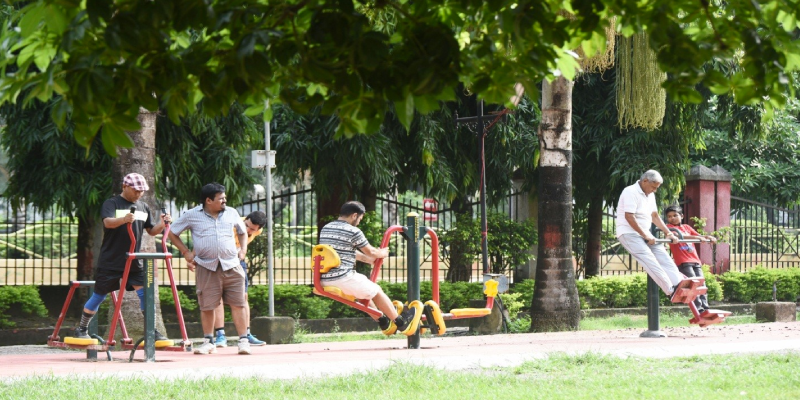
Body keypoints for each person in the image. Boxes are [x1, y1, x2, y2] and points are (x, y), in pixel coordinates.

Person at [74, 173, 171, 340]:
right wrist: (124, 219)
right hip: (111, 259)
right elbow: (107, 222)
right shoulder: (112, 203)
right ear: (124, 187)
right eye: (136, 190)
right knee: (99, 295)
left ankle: (152, 331)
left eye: (142, 191)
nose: (139, 194)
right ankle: (82, 328)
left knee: (144, 293)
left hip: (132, 258)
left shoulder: (143, 206)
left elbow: (151, 231)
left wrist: (162, 224)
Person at [168, 183, 252, 355]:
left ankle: (243, 341)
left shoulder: (231, 212)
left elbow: (242, 231)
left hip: (232, 266)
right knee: (207, 306)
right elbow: (171, 232)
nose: (224, 201)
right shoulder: (191, 215)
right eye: (221, 198)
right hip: (206, 267)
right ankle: (208, 341)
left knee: (239, 304)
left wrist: (243, 250)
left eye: (224, 197)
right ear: (208, 200)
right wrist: (185, 252)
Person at [318, 201, 421, 336]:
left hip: (324, 279)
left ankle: (383, 321)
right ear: (354, 215)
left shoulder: (327, 228)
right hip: (342, 277)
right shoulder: (353, 231)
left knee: (363, 294)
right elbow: (371, 251)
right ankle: (401, 323)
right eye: (360, 218)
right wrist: (382, 253)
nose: (359, 222)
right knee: (376, 291)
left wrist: (367, 260)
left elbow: (341, 252)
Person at [616, 170, 690, 301]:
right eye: (653, 187)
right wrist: (645, 234)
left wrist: (668, 233)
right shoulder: (630, 192)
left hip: (645, 233)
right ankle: (670, 290)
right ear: (645, 181)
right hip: (628, 233)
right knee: (650, 259)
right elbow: (629, 216)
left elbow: (654, 216)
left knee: (662, 254)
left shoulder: (649, 195)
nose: (655, 190)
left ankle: (679, 282)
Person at [214, 210, 268, 347]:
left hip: (237, 260)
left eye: (252, 229)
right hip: (219, 259)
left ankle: (246, 334)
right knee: (217, 297)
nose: (248, 230)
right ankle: (220, 336)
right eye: (247, 226)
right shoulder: (233, 224)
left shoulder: (257, 231)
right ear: (245, 220)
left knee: (243, 296)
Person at [665, 205, 717, 315]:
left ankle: (705, 307)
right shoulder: (669, 228)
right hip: (683, 262)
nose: (672, 218)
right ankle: (699, 309)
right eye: (669, 216)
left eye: (675, 215)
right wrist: (698, 238)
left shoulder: (687, 227)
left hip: (695, 260)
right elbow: (681, 237)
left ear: (682, 216)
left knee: (701, 284)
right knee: (693, 284)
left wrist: (708, 237)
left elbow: (698, 235)